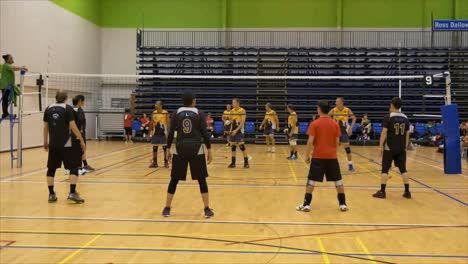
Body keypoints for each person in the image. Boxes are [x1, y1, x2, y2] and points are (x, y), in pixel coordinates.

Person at [163, 92, 214, 218]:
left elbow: (170, 133)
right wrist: (209, 149)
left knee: (174, 179)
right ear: (193, 101)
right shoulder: (199, 113)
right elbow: (205, 133)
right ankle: (207, 209)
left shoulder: (176, 113)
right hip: (196, 148)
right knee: (201, 179)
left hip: (180, 148)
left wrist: (168, 148)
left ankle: (167, 208)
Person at [296, 100, 349, 212]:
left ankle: (306, 204)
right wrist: (335, 152)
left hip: (318, 156)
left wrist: (306, 155)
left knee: (311, 181)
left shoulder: (314, 123)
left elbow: (310, 142)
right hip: (332, 157)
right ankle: (343, 204)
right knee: (338, 181)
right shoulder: (335, 124)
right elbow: (337, 141)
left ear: (319, 109)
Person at [43, 90, 86, 203]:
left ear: (56, 97)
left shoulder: (48, 108)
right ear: (66, 98)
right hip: (67, 144)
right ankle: (72, 193)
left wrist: (45, 142)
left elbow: (45, 127)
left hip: (53, 144)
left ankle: (51, 194)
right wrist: (81, 139)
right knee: (74, 167)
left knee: (51, 169)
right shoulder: (68, 109)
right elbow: (73, 126)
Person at [373, 97, 411, 199]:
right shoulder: (405, 118)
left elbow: (384, 132)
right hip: (401, 148)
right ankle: (407, 191)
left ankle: (382, 191)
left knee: (385, 169)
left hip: (389, 147)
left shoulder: (388, 117)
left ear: (392, 105)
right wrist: (405, 147)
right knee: (403, 169)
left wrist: (380, 146)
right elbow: (407, 134)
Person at [330, 97, 356, 171]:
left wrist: (351, 127)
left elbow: (354, 118)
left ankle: (350, 164)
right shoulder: (333, 110)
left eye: (337, 102)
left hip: (344, 132)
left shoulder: (347, 110)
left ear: (341, 103)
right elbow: (326, 117)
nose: (335, 103)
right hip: (335, 132)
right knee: (334, 149)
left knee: (347, 149)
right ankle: (333, 164)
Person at [72, 95, 95, 172]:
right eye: (83, 101)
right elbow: (80, 124)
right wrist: (81, 135)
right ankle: (79, 167)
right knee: (80, 149)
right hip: (79, 134)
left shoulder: (71, 109)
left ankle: (84, 165)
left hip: (74, 134)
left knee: (80, 150)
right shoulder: (79, 111)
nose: (84, 102)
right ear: (79, 101)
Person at [1, 54, 27, 118]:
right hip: (5, 85)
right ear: (7, 60)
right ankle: (5, 114)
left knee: (7, 100)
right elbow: (14, 68)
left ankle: (6, 113)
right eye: (11, 58)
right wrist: (22, 67)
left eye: (12, 58)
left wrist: (21, 68)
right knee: (5, 100)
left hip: (9, 86)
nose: (12, 59)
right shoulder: (6, 65)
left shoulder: (8, 65)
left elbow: (14, 68)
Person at [228, 98, 250, 168]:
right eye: (232, 102)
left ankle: (246, 163)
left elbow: (242, 122)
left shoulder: (242, 110)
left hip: (239, 129)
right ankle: (233, 163)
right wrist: (231, 130)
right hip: (234, 129)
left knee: (242, 146)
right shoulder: (232, 111)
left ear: (237, 103)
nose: (232, 104)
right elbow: (231, 122)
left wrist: (236, 130)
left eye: (233, 103)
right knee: (233, 146)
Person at [149, 101, 170, 168]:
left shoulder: (165, 112)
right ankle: (155, 162)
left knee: (165, 148)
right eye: (155, 104)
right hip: (155, 132)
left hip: (163, 132)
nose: (155, 105)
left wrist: (168, 133)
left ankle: (166, 162)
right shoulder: (154, 112)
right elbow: (151, 123)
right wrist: (149, 133)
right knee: (155, 147)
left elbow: (168, 123)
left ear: (161, 105)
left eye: (156, 104)